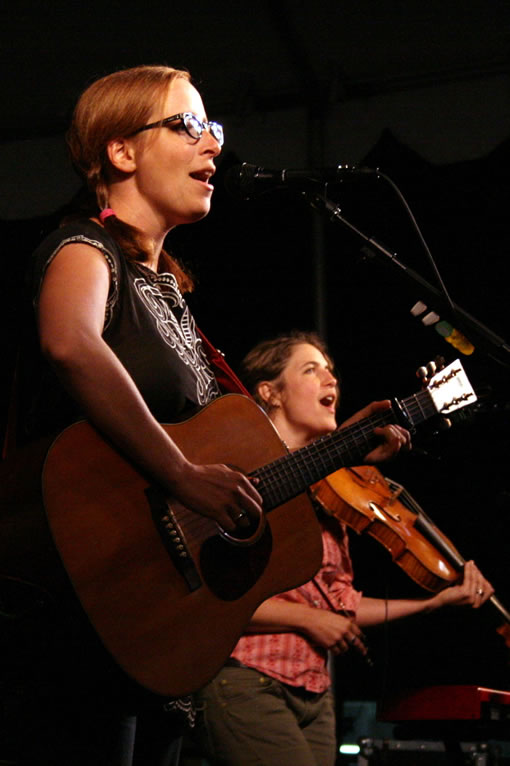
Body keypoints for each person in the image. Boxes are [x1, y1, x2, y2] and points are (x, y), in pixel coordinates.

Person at [3, 68, 411, 766]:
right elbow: (70, 341)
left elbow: (231, 471)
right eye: (187, 126)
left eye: (213, 129)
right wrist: (182, 474)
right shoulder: (84, 248)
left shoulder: (170, 296)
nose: (213, 146)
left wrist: (337, 447)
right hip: (73, 611)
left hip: (156, 630)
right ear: (121, 151)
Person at [193, 331, 494, 766]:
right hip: (246, 677)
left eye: (331, 369)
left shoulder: (334, 496)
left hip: (314, 690)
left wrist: (436, 603)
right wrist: (305, 618)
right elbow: (209, 593)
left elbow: (342, 605)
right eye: (310, 369)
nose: (330, 378)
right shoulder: (240, 472)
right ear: (269, 392)